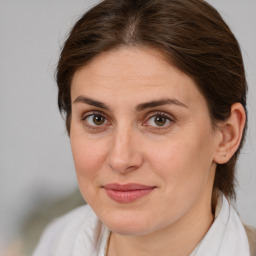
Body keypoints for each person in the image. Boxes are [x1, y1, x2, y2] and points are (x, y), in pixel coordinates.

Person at [33, 0, 256, 255]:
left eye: (159, 119)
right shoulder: (58, 240)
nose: (120, 159)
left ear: (227, 136)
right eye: (96, 118)